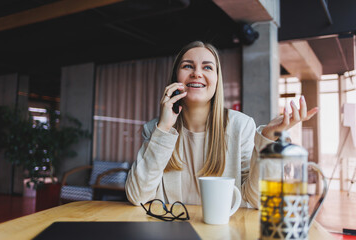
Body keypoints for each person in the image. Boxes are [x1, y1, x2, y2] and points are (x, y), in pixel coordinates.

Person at [125, 41, 318, 208]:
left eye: (207, 67)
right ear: (176, 77)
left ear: (217, 81)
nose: (197, 73)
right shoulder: (155, 129)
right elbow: (137, 196)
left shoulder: (240, 126)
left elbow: (258, 200)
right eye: (187, 66)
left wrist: (268, 139)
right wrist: (164, 128)